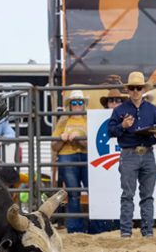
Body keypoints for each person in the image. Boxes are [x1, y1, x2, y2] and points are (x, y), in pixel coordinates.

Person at [108, 71, 156, 238]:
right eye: (132, 88)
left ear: (143, 89)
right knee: (128, 194)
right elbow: (110, 131)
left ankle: (147, 231)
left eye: (138, 88)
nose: (135, 91)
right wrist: (123, 126)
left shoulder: (152, 110)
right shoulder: (119, 110)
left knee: (146, 195)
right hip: (129, 154)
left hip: (147, 153)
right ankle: (126, 231)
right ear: (128, 90)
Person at [51, 90, 89, 233]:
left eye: (80, 102)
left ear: (84, 104)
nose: (78, 105)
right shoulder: (63, 120)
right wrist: (62, 138)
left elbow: (93, 143)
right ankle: (75, 229)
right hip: (67, 156)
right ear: (70, 105)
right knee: (73, 193)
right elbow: (54, 146)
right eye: (74, 102)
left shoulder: (89, 118)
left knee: (92, 189)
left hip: (86, 156)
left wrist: (79, 138)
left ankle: (98, 225)